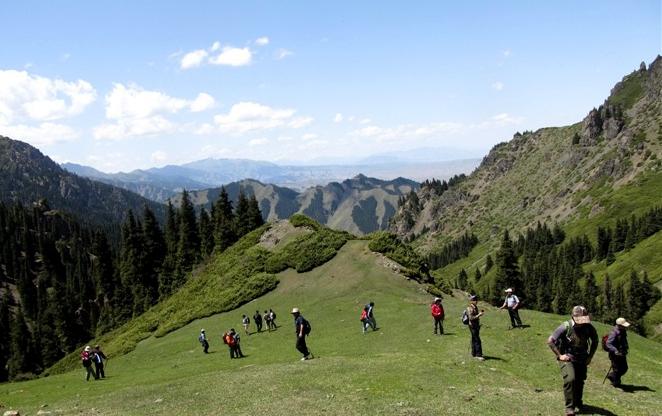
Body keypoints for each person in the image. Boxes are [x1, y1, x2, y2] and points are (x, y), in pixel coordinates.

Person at [547, 305, 598, 416]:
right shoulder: (565, 326)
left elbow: (595, 340)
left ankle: (578, 403)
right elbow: (550, 341)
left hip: (582, 358)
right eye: (580, 319)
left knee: (580, 381)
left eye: (584, 319)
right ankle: (569, 408)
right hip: (567, 358)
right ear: (573, 317)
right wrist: (560, 355)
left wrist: (590, 357)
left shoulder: (588, 327)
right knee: (570, 379)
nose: (582, 322)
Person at [605, 317, 630, 387]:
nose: (625, 327)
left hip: (622, 353)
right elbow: (608, 343)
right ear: (619, 325)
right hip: (614, 354)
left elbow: (624, 341)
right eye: (624, 326)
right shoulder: (614, 332)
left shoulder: (623, 331)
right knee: (617, 369)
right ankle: (615, 381)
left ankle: (613, 378)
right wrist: (615, 350)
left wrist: (626, 348)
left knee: (624, 368)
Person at [466, 295, 485, 361]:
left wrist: (479, 314)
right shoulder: (469, 308)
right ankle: (478, 355)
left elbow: (475, 317)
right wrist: (479, 315)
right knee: (477, 340)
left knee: (474, 339)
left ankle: (473, 353)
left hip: (476, 325)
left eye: (476, 299)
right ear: (471, 301)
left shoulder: (475, 307)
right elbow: (471, 318)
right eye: (474, 300)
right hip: (472, 326)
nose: (476, 301)